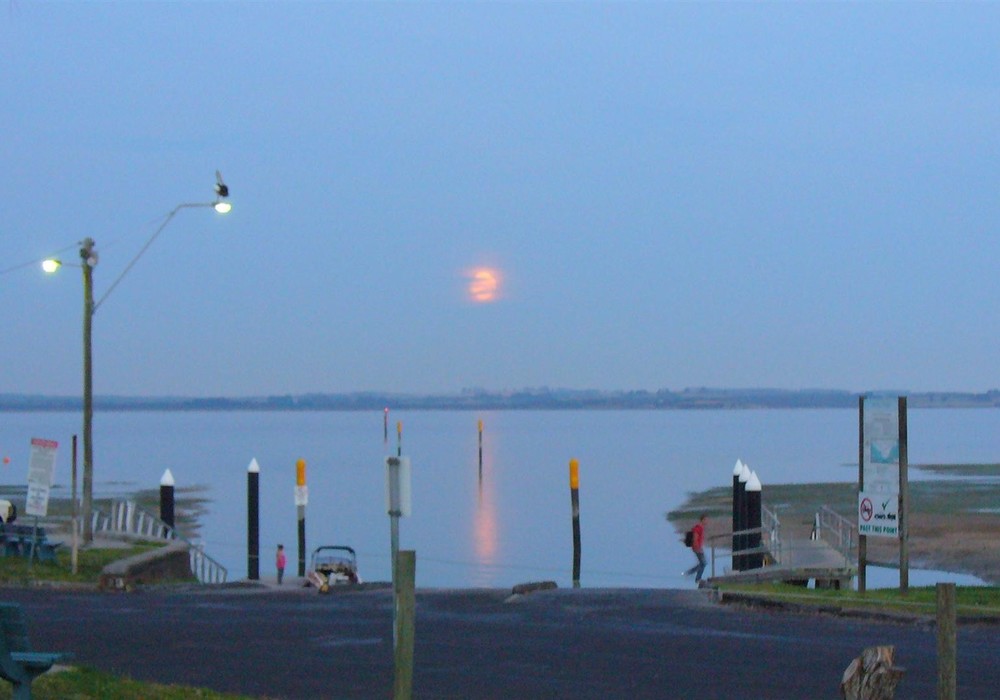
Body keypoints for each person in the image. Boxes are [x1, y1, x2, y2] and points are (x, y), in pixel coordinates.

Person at [683, 514, 708, 583]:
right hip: (697, 548)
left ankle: (693, 575)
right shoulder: (698, 528)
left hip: (698, 548)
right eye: (706, 520)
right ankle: (693, 575)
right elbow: (695, 538)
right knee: (703, 563)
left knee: (702, 563)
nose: (707, 522)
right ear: (702, 520)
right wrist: (698, 548)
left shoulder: (701, 528)